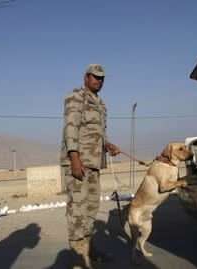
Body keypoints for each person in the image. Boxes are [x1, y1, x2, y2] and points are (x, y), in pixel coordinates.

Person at [60, 64, 120, 268]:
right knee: (77, 208)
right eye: (95, 77)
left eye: (102, 78)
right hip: (77, 162)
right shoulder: (76, 97)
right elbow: (71, 126)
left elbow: (99, 132)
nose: (99, 81)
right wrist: (74, 157)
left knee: (91, 208)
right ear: (86, 77)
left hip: (94, 163)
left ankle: (88, 248)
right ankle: (78, 258)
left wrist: (108, 144)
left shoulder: (101, 104)